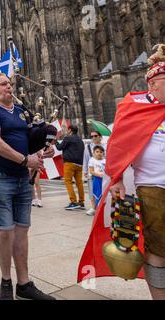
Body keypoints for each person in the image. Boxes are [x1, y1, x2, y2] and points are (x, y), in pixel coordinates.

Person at [0, 73, 55, 300]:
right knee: (5, 231)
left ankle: (24, 283)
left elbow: (32, 140)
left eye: (10, 84)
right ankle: (5, 281)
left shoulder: (23, 112)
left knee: (22, 230)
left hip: (23, 178)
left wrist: (43, 149)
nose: (9, 87)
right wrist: (25, 160)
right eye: (3, 84)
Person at [109, 46, 165, 300]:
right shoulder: (136, 107)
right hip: (153, 188)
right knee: (158, 250)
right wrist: (117, 178)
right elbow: (119, 144)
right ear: (152, 83)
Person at [56, 125, 85, 211]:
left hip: (69, 163)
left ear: (70, 130)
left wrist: (56, 141)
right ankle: (81, 202)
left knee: (68, 181)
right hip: (79, 164)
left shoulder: (68, 138)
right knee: (79, 183)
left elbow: (59, 148)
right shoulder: (80, 140)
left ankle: (73, 202)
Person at [83, 130, 106, 215]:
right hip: (92, 172)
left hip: (104, 172)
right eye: (91, 136)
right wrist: (85, 171)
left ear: (100, 136)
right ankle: (93, 207)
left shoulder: (106, 146)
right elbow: (85, 158)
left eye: (95, 136)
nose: (93, 138)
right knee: (92, 189)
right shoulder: (88, 147)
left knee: (103, 190)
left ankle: (103, 207)